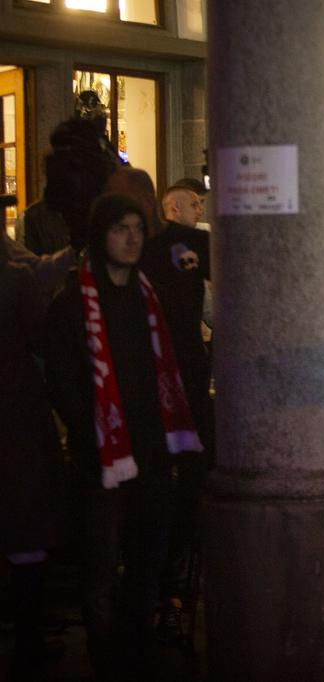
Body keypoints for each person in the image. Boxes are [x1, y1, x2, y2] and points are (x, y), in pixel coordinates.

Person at [44, 194, 203, 678]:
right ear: (100, 236)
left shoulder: (149, 297)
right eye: (120, 229)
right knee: (100, 564)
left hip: (151, 454)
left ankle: (138, 651)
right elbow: (63, 380)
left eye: (138, 227)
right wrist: (91, 433)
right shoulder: (73, 304)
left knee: (147, 560)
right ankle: (105, 660)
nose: (132, 237)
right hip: (101, 458)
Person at [138, 181, 213, 639]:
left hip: (186, 370)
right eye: (194, 204)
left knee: (192, 474)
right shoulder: (151, 249)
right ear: (169, 207)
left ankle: (176, 580)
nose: (199, 210)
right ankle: (160, 588)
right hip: (154, 379)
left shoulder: (196, 244)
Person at [1, 248, 64, 677]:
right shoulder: (15, 280)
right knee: (25, 529)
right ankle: (28, 644)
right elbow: (45, 338)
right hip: (15, 415)